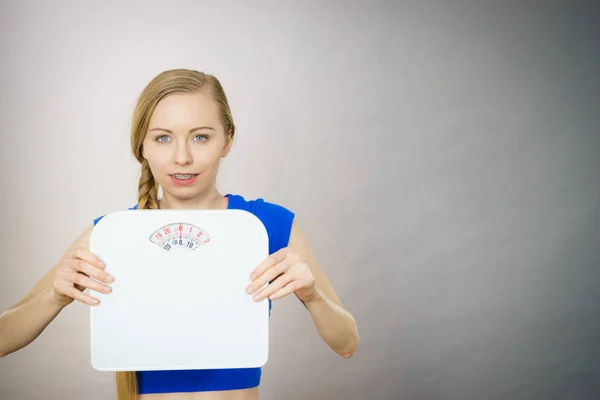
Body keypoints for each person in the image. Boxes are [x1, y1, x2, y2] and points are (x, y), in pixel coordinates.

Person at [0, 69, 360, 399]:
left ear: (227, 140)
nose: (182, 157)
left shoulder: (266, 224)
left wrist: (312, 297)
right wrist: (56, 296)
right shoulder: (114, 235)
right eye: (163, 138)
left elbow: (347, 343)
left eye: (201, 137)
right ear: (142, 145)